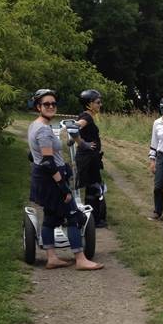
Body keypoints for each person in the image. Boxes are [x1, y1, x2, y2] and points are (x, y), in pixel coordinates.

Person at [27, 89, 104, 271]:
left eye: (53, 104)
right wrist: (62, 186)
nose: (51, 106)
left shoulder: (34, 125)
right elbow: (48, 162)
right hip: (52, 179)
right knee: (73, 216)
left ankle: (52, 258)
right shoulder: (43, 130)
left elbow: (34, 154)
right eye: (46, 104)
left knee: (50, 217)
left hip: (43, 178)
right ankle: (80, 259)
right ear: (38, 107)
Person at [74, 89, 107, 228]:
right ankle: (93, 220)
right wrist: (83, 144)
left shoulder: (87, 116)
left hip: (91, 158)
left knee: (93, 187)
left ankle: (92, 218)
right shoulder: (86, 117)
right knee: (94, 188)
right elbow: (74, 128)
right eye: (98, 102)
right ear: (89, 103)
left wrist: (74, 140)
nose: (100, 104)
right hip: (87, 159)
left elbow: (76, 131)